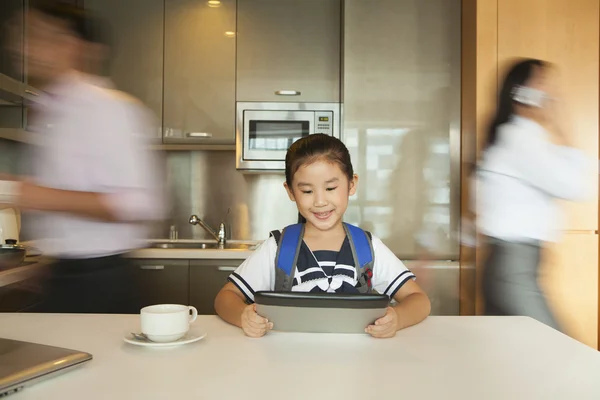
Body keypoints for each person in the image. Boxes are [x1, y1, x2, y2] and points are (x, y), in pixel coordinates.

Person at [0, 1, 166, 313]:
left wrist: (32, 195)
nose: (22, 46)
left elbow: (138, 202)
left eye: (36, 35)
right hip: (62, 273)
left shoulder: (105, 109)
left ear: (71, 45)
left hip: (102, 280)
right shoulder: (52, 112)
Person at [214, 134, 431, 338]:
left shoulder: (367, 246)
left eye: (330, 188)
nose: (320, 201)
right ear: (290, 191)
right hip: (288, 364)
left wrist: (397, 318)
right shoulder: (279, 247)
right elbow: (226, 297)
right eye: (307, 191)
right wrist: (243, 316)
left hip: (355, 366)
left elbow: (419, 300)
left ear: (351, 184)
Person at [475, 58, 592, 329]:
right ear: (521, 93)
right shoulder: (520, 140)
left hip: (508, 264)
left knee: (508, 358)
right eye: (543, 83)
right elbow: (578, 187)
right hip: (514, 269)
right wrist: (564, 129)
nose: (553, 94)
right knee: (564, 356)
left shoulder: (518, 138)